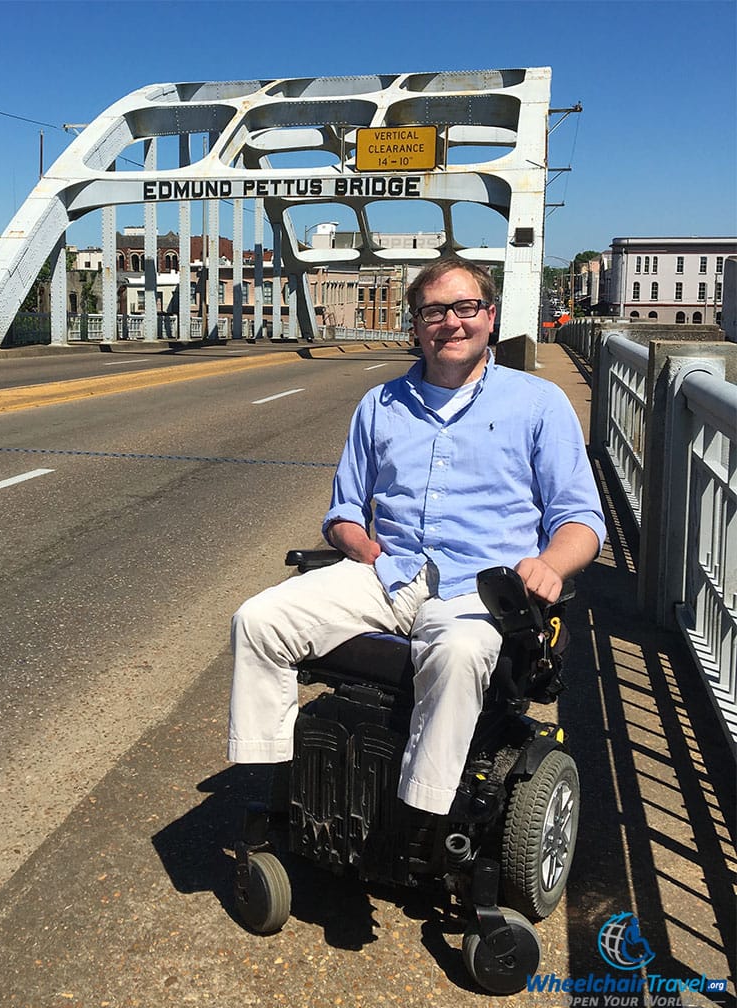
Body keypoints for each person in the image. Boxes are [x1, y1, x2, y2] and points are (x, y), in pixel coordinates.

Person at [227, 256, 606, 817]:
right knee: (258, 620)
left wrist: (551, 564)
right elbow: (344, 511)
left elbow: (581, 521)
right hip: (391, 573)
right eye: (433, 311)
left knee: (457, 652)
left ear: (491, 317)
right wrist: (357, 543)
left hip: (479, 589)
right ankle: (286, 787)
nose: (450, 322)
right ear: (416, 325)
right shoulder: (379, 406)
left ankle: (416, 818)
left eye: (465, 307)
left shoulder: (537, 404)